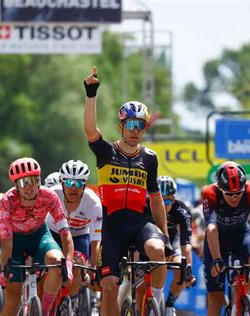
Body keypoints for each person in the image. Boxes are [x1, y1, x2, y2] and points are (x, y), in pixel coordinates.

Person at [83, 66, 171, 315]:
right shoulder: (107, 152)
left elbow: (155, 199)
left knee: (157, 250)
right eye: (131, 124)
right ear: (121, 125)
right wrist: (91, 96)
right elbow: (90, 131)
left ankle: (156, 302)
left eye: (141, 125)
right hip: (113, 227)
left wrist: (164, 235)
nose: (135, 130)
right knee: (110, 287)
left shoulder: (150, 158)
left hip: (140, 222)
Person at [0, 157, 74, 316]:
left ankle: (44, 312)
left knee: (57, 264)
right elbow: (6, 241)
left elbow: (65, 233)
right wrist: (5, 269)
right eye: (22, 182)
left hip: (40, 236)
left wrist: (68, 264)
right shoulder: (7, 200)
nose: (28, 186)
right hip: (15, 242)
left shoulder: (49, 196)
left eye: (32, 180)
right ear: (15, 186)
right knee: (12, 301)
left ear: (39, 180)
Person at [203, 161, 250, 315]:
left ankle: (248, 305)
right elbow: (212, 228)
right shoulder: (210, 193)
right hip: (217, 241)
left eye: (239, 192)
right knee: (216, 298)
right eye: (229, 194)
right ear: (220, 188)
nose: (235, 197)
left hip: (241, 236)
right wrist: (216, 258)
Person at [45, 159, 102, 310]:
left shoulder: (94, 203)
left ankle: (72, 300)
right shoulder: (52, 194)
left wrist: (93, 267)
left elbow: (95, 240)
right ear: (62, 182)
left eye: (78, 183)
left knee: (77, 264)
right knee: (48, 267)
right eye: (69, 183)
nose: (73, 188)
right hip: (53, 233)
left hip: (79, 236)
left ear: (84, 185)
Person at [143, 176, 196, 316]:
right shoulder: (144, 205)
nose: (164, 204)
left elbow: (186, 243)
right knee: (141, 282)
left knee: (181, 270)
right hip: (147, 241)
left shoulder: (181, 210)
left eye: (167, 200)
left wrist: (188, 269)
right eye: (160, 199)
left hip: (172, 241)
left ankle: (169, 305)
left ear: (174, 199)